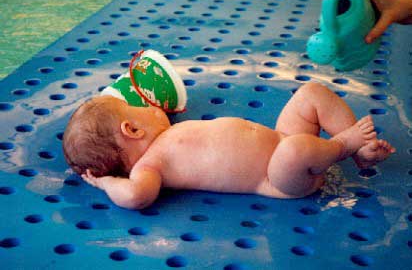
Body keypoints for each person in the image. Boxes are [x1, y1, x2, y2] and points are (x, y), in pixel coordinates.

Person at [63, 83, 395, 210]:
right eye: (143, 110)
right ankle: (342, 145)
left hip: (281, 138)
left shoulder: (165, 137)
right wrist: (106, 181)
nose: (154, 109)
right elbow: (136, 196)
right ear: (132, 129)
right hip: (280, 176)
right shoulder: (151, 167)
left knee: (310, 94)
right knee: (294, 151)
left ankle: (360, 150)